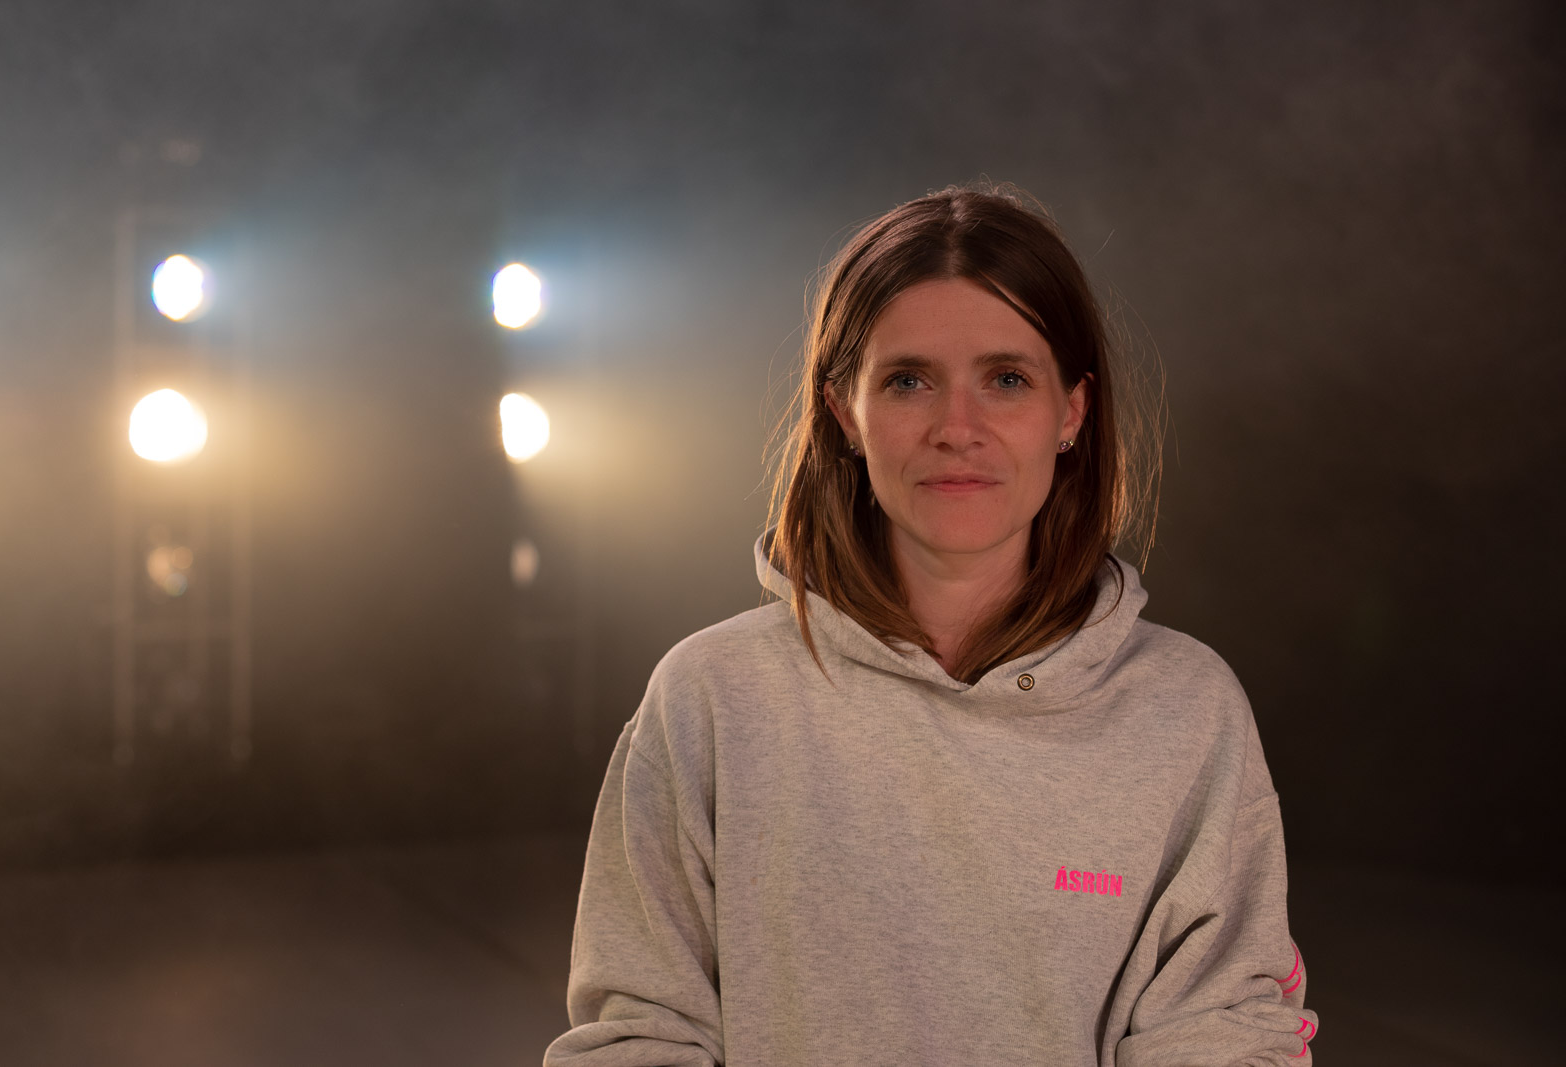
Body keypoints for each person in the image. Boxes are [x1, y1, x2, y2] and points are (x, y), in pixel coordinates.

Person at [544, 184, 1317, 1065]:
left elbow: (1224, 1033)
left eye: (1007, 379)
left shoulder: (1183, 708)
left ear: (1071, 411)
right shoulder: (715, 699)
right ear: (845, 411)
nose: (958, 428)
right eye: (908, 380)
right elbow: (641, 1035)